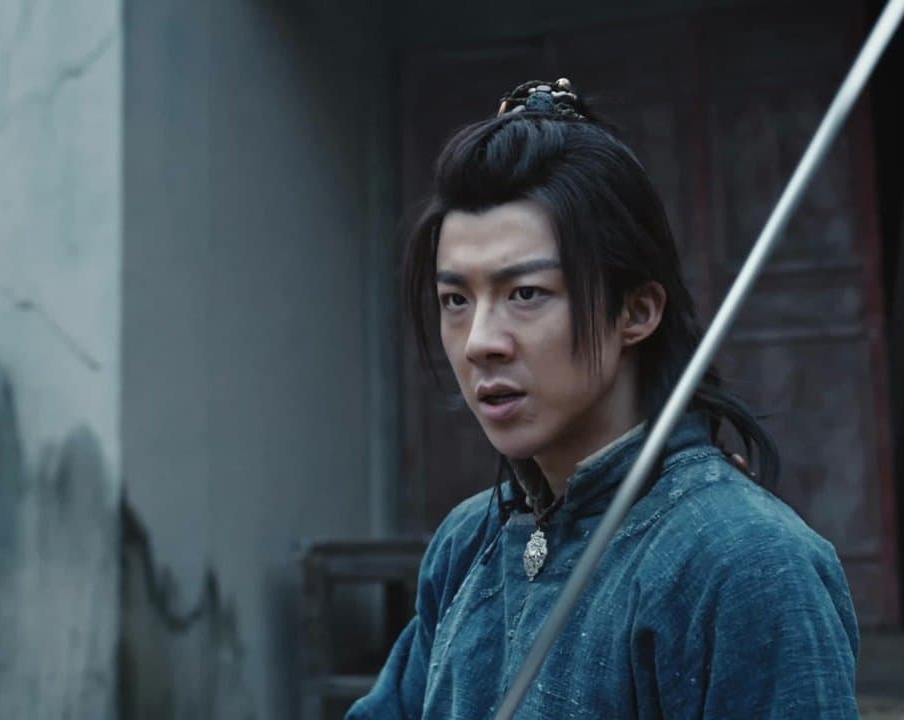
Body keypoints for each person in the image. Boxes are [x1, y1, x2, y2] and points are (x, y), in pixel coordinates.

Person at [347, 79, 860, 719]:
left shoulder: (743, 564)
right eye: (456, 299)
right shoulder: (466, 544)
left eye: (526, 293)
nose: (478, 342)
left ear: (636, 311)